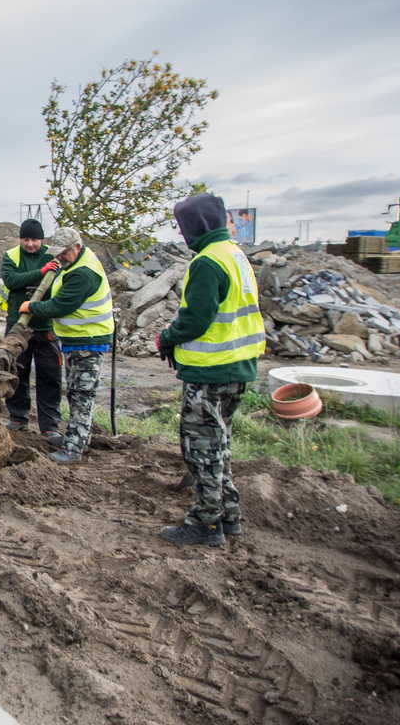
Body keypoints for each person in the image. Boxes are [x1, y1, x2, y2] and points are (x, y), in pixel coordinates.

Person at [156, 193, 264, 546]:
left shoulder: (206, 262)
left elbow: (196, 319)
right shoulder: (235, 255)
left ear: (195, 226)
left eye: (183, 227)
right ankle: (229, 515)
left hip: (211, 370)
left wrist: (168, 337)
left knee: (200, 447)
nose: (182, 234)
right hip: (238, 367)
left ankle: (206, 524)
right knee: (219, 445)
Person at [18, 227, 114, 464]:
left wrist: (31, 307)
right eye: (57, 253)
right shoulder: (74, 264)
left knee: (82, 395)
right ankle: (79, 437)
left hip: (88, 342)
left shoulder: (82, 273)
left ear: (77, 248)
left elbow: (60, 306)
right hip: (77, 340)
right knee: (74, 392)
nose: (58, 257)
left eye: (63, 253)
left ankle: (74, 448)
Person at [0, 219, 62, 440]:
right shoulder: (12, 255)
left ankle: (49, 425)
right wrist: (41, 272)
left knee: (49, 375)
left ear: (41, 239)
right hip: (18, 325)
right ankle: (17, 417)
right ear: (20, 239)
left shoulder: (53, 254)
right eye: (26, 239)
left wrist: (46, 271)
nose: (30, 244)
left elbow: (58, 283)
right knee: (16, 371)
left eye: (34, 239)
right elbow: (12, 280)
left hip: (46, 326)